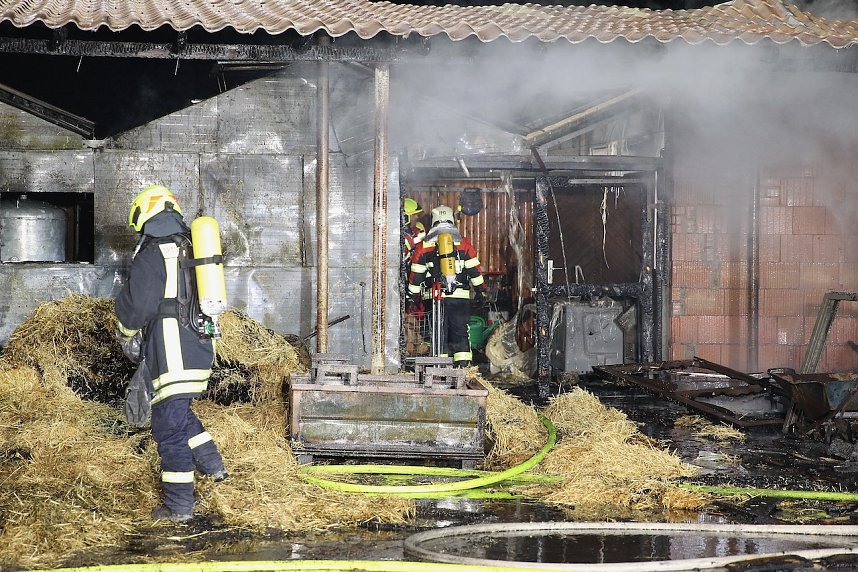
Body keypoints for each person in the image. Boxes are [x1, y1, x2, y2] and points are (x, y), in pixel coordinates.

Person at [114, 184, 227, 523]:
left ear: (144, 214)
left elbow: (138, 304)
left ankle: (179, 508)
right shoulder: (188, 246)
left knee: (167, 429)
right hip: (198, 346)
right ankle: (215, 468)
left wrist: (125, 331)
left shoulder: (155, 250)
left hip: (172, 352)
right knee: (178, 414)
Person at [408, 204, 487, 367]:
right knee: (460, 334)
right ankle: (463, 370)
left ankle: (440, 370)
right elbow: (474, 271)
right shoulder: (463, 243)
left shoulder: (425, 246)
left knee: (438, 335)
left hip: (436, 299)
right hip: (460, 298)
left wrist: (412, 296)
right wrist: (481, 292)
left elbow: (416, 275)